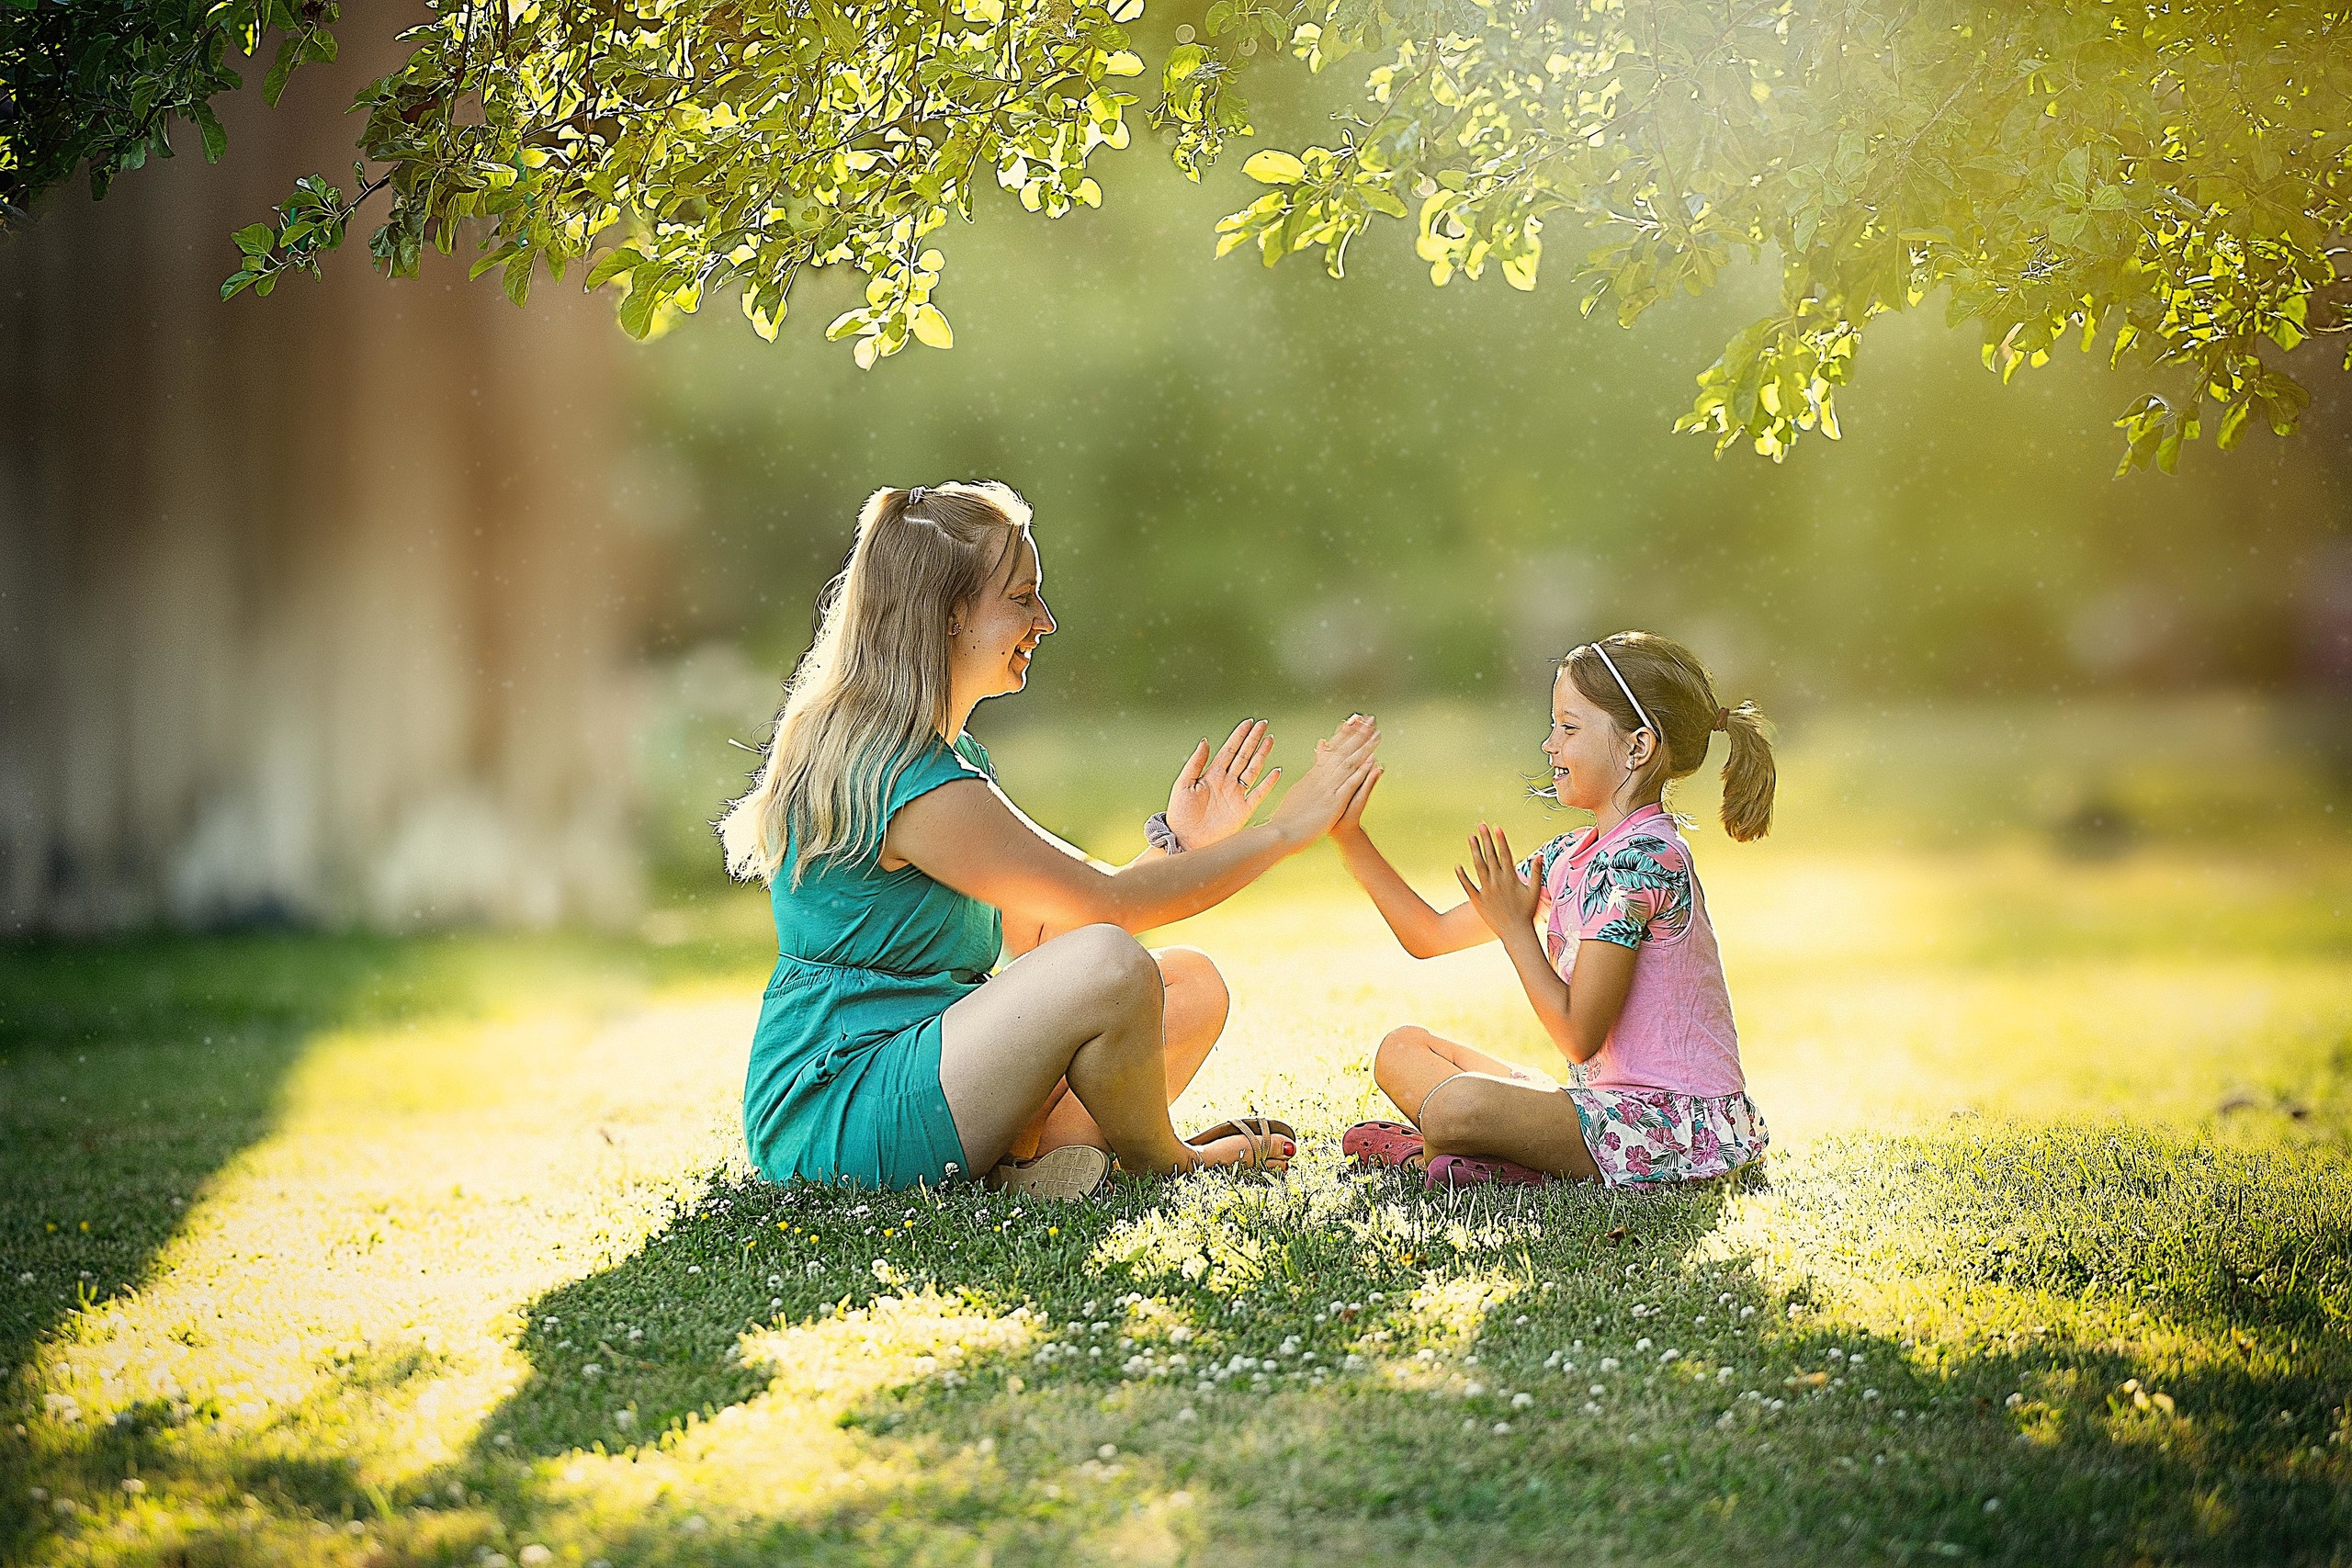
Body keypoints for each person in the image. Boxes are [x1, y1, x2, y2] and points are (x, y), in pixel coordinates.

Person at [717, 481, 1381, 1196]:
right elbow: (1106, 913)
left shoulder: (952, 759)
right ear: (947, 614)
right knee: (1114, 959)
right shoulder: (898, 775)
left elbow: (1041, 934)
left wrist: (1183, 843)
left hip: (931, 1068)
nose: (1047, 620)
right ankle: (1165, 1159)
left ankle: (1051, 1164)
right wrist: (1288, 830)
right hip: (844, 1109)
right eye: (1022, 596)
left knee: (1185, 983)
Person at [1331, 631, 1773, 1189]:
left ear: (1638, 747)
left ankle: (1465, 1156)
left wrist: (1516, 929)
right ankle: (1475, 1158)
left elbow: (1577, 1035)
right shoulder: (1569, 857)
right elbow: (1428, 934)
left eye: (1568, 728)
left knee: (1456, 1108)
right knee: (1402, 1050)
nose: (1549, 745)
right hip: (1601, 1109)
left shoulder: (1646, 861)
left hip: (1676, 1128)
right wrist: (1349, 835)